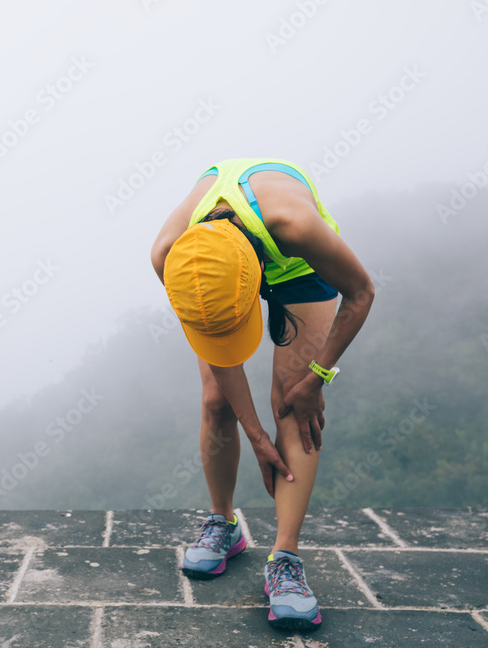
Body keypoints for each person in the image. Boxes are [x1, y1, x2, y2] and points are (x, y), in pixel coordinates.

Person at [149, 158, 375, 630]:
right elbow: (220, 349)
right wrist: (255, 436)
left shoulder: (297, 227)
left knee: (293, 403)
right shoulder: (171, 254)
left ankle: (285, 558)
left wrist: (317, 377)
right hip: (215, 262)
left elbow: (361, 292)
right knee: (215, 401)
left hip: (292, 263)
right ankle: (223, 523)